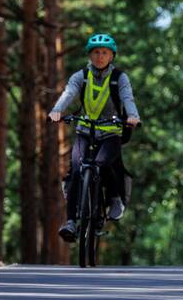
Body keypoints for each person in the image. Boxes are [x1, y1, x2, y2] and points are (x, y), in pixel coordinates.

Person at [48, 33, 141, 243]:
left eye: (105, 53)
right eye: (96, 52)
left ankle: (113, 198)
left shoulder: (119, 78)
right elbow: (68, 93)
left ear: (111, 56)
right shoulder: (80, 76)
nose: (100, 56)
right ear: (90, 55)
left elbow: (127, 98)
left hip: (111, 133)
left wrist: (133, 116)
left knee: (103, 163)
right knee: (76, 169)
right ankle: (71, 222)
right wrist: (56, 111)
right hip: (85, 131)